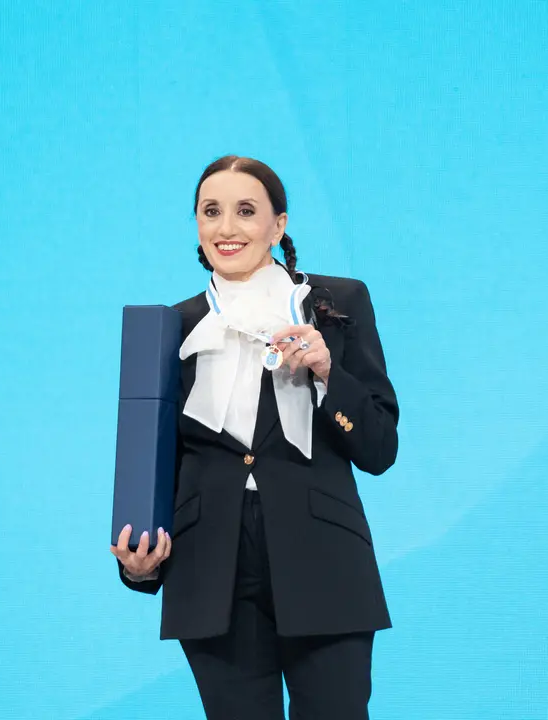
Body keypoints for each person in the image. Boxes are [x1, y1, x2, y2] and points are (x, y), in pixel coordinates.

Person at [111, 155, 399, 718]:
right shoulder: (172, 326)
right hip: (209, 572)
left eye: (246, 211)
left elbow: (380, 448)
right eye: (211, 211)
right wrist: (136, 567)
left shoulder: (336, 305)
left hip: (325, 560)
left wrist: (327, 374)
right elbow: (153, 465)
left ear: (279, 225)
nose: (226, 228)